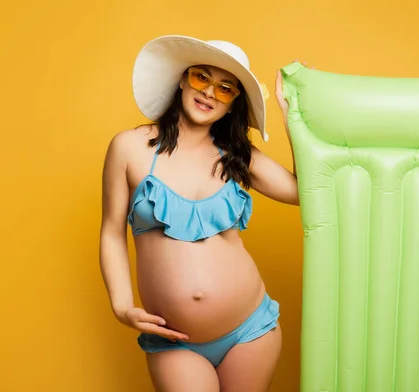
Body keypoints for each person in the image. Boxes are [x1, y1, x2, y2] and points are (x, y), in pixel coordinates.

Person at [99, 35, 299, 392]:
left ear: (233, 104)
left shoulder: (238, 155)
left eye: (225, 88)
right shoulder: (128, 147)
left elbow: (303, 192)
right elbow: (112, 231)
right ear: (181, 78)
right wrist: (122, 306)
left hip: (249, 330)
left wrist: (291, 116)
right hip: (174, 338)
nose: (209, 92)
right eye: (201, 77)